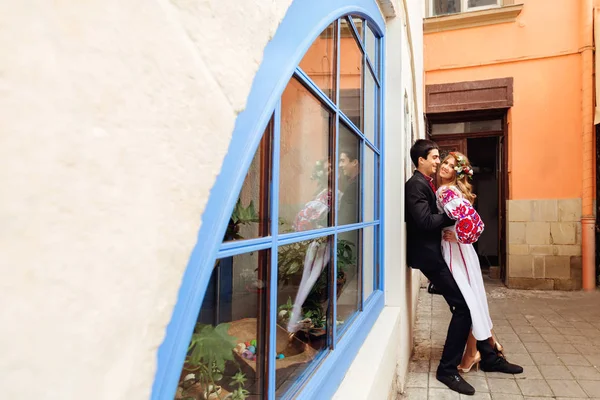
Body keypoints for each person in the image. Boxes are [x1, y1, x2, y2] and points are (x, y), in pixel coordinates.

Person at [436, 151, 523, 375]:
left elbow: (475, 222)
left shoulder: (447, 191)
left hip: (459, 252)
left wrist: (459, 236)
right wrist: (462, 236)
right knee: (473, 301)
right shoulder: (450, 191)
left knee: (472, 302)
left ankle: (478, 354)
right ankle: (485, 352)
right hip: (460, 251)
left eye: (451, 165)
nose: (445, 166)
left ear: (458, 172)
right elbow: (473, 221)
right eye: (444, 162)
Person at [405, 140, 475, 395]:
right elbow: (424, 222)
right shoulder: (415, 185)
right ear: (421, 160)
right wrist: (454, 215)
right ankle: (447, 370)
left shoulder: (427, 184)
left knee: (467, 301)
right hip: (429, 257)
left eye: (439, 158)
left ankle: (486, 354)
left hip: (436, 254)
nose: (437, 162)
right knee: (463, 307)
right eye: (434, 158)